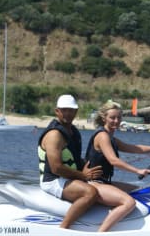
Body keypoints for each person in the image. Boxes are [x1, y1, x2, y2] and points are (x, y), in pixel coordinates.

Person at [85, 100, 150, 232]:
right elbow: (113, 160)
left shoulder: (111, 138)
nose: (116, 121)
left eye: (119, 117)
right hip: (94, 184)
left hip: (105, 182)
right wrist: (137, 170)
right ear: (104, 118)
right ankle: (100, 234)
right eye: (112, 118)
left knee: (140, 191)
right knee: (129, 202)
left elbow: (134, 148)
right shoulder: (102, 136)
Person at [38, 94, 103, 229]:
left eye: (71, 110)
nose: (68, 113)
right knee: (90, 193)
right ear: (57, 111)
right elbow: (56, 168)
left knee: (102, 182)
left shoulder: (73, 132)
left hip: (67, 178)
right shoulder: (54, 135)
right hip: (52, 180)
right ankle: (64, 228)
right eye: (64, 110)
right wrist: (84, 176)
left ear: (76, 112)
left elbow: (74, 159)